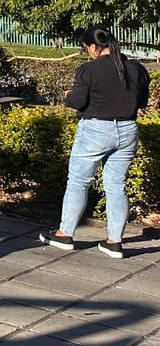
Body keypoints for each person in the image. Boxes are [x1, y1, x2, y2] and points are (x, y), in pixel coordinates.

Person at [40, 26, 150, 259]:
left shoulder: (88, 70)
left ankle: (64, 234)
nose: (86, 51)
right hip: (128, 130)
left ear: (93, 46)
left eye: (86, 47)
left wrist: (68, 95)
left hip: (95, 130)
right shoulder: (136, 68)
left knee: (79, 182)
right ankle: (114, 242)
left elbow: (78, 102)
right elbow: (141, 102)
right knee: (116, 185)